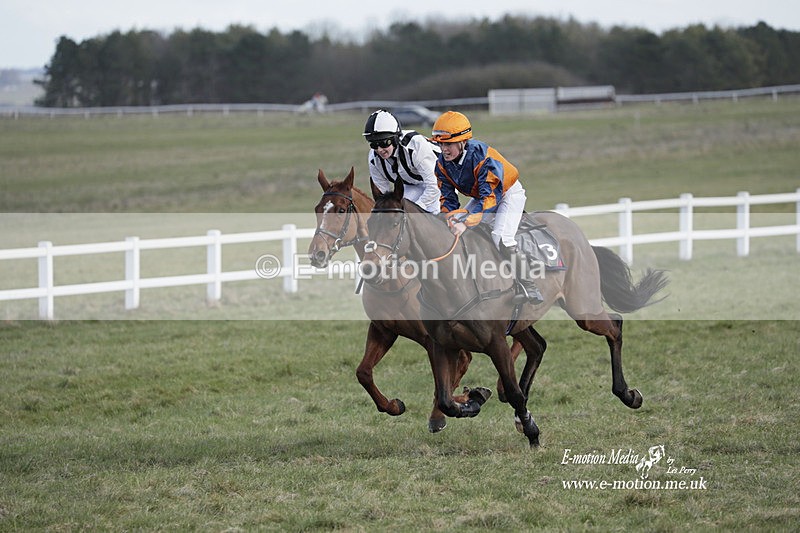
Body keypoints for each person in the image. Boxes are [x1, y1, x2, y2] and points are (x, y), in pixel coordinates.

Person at [431, 110, 543, 305]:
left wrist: (465, 222)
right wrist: (449, 218)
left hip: (507, 193)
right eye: (440, 144)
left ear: (462, 142)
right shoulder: (441, 165)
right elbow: (447, 199)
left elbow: (490, 199)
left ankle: (529, 286)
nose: (444, 149)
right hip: (482, 196)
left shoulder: (482, 157)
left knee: (500, 237)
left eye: (448, 144)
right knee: (459, 226)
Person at [363, 109, 441, 215]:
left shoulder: (415, 146)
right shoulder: (373, 159)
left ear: (395, 139)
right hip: (412, 184)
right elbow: (382, 196)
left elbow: (434, 185)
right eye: (374, 145)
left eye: (384, 142)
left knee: (430, 214)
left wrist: (416, 210)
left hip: (441, 182)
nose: (380, 149)